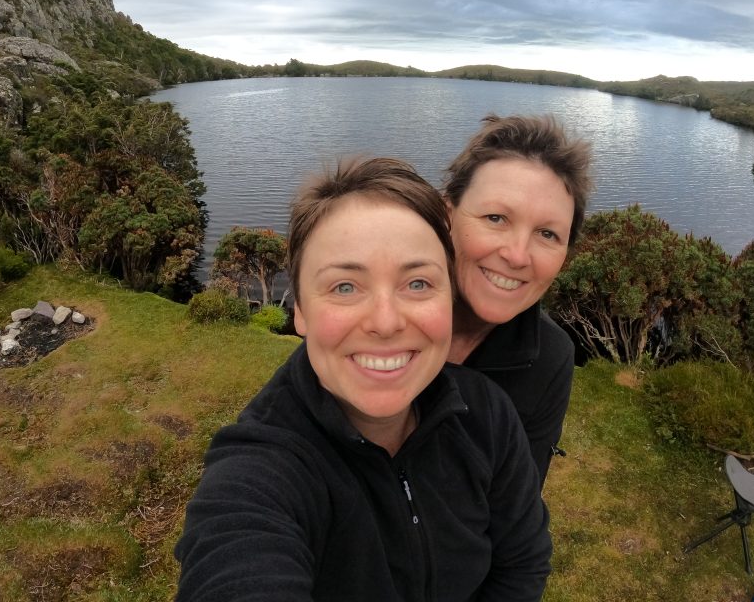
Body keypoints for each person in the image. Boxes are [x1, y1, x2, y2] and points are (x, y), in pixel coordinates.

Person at [175, 157, 551, 602]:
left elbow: (522, 563)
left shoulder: (487, 415)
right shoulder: (262, 473)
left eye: (417, 283)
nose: (386, 322)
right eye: (345, 287)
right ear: (299, 311)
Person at [444, 113, 593, 487]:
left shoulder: (550, 357)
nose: (517, 255)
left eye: (547, 233)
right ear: (447, 215)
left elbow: (516, 507)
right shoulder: (382, 312)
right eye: (496, 217)